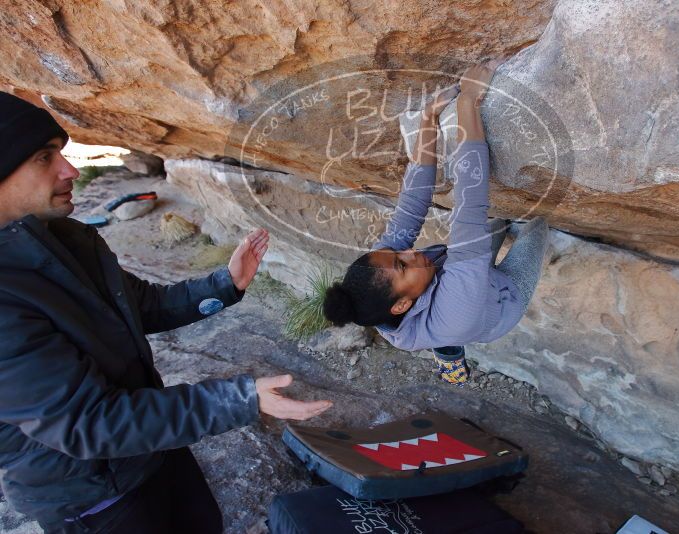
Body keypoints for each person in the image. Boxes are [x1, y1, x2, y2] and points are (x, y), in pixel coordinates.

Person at [0, 91, 333, 533]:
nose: (70, 170)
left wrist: (225, 285)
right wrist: (239, 401)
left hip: (156, 446)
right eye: (45, 158)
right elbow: (89, 422)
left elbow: (140, 305)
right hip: (96, 497)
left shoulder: (63, 238)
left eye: (61, 152)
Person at [323, 60, 550, 385]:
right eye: (404, 265)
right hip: (500, 303)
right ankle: (448, 344)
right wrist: (468, 100)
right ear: (402, 304)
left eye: (397, 254)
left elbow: (412, 204)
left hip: (449, 294)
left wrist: (429, 119)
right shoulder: (455, 308)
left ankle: (445, 344)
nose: (409, 252)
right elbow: (470, 203)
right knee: (533, 225)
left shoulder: (381, 279)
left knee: (495, 225)